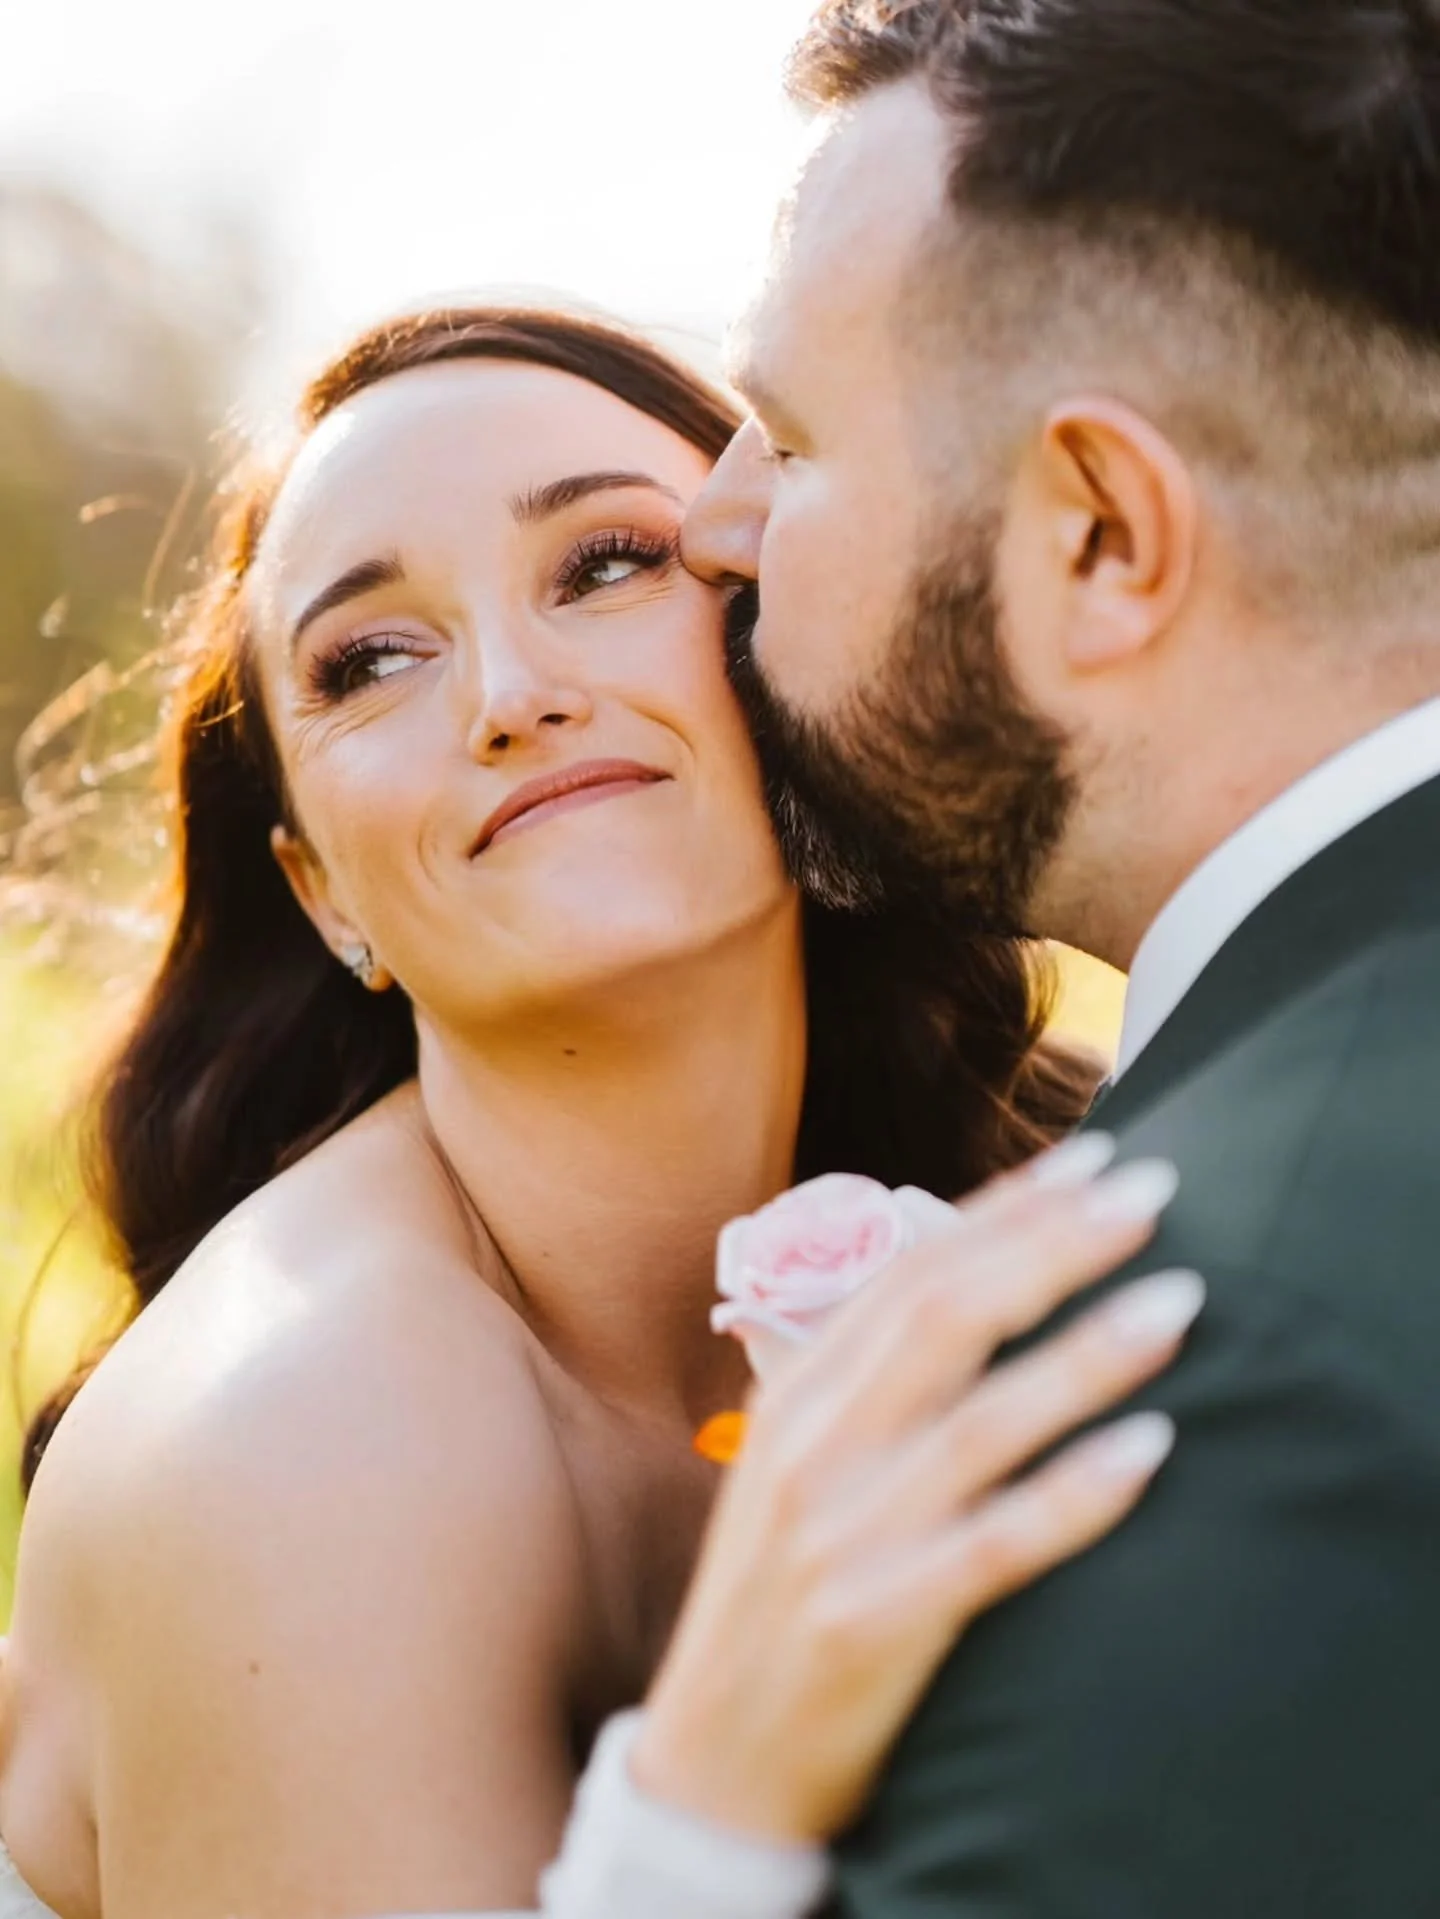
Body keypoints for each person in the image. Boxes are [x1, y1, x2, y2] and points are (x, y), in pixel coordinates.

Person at [0, 307, 1195, 1919]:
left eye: (606, 565)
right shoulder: (304, 1433)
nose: (510, 694)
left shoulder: (1024, 1176)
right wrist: (712, 1800)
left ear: (798, 631)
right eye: (371, 661)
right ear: (323, 892)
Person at [670, 0, 1440, 1911]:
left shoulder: (1193, 1380)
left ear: (1101, 535)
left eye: (797, 440)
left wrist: (676, 1833)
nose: (710, 519)